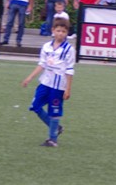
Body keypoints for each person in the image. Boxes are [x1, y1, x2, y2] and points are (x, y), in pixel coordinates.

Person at [21, 17, 75, 148]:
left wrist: (68, 88)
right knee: (35, 106)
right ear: (53, 30)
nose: (60, 33)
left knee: (54, 111)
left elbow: (69, 70)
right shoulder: (46, 47)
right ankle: (56, 128)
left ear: (67, 33)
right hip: (45, 82)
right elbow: (42, 64)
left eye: (63, 31)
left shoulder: (69, 49)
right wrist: (30, 77)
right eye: (58, 30)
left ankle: (52, 139)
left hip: (58, 85)